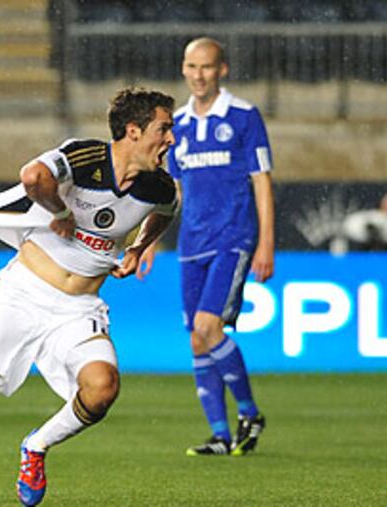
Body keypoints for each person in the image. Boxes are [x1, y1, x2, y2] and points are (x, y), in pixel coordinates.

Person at [0, 86, 179, 507]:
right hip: (22, 296)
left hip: (78, 310)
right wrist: (60, 212)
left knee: (102, 388)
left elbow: (167, 211)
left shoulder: (159, 187)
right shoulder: (85, 158)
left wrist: (138, 248)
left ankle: (36, 447)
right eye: (163, 129)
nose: (170, 139)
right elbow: (32, 176)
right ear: (132, 131)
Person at [149, 37, 274, 456]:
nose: (198, 75)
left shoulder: (242, 116)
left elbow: (261, 181)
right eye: (191, 66)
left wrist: (265, 243)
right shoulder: (178, 125)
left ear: (222, 70)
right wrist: (150, 240)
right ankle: (220, 434)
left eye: (206, 67)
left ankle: (251, 412)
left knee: (208, 326)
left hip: (232, 239)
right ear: (183, 69)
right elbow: (174, 192)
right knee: (197, 340)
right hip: (191, 244)